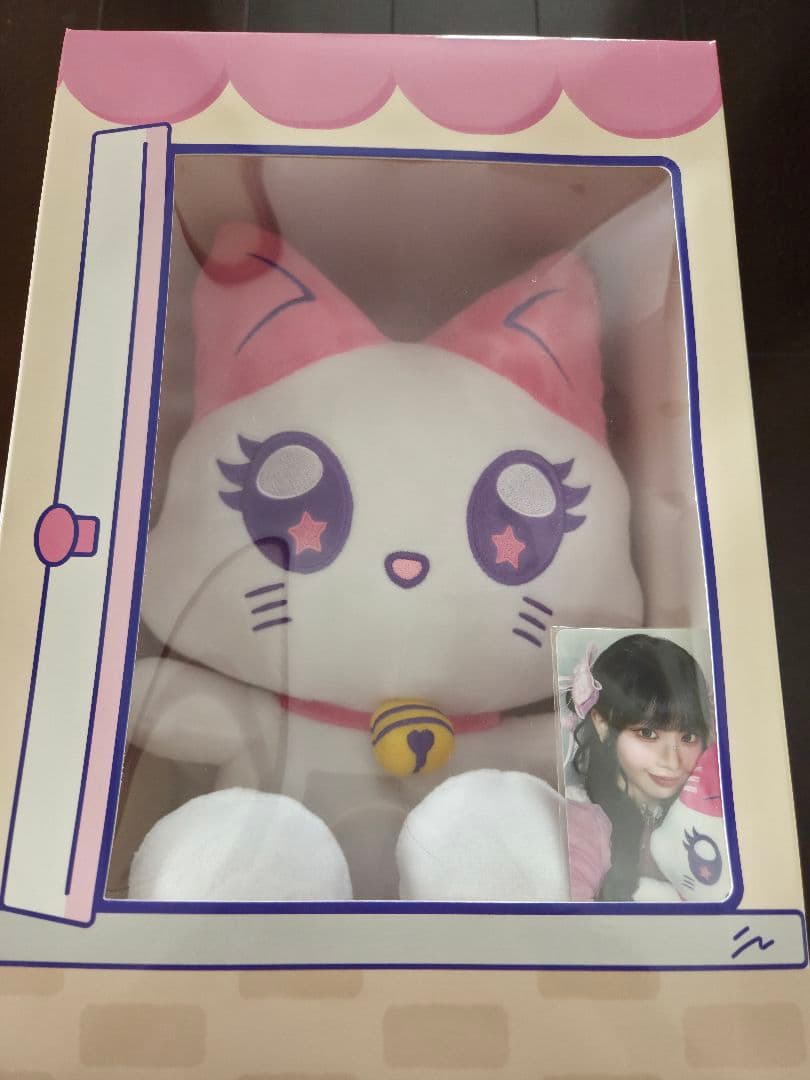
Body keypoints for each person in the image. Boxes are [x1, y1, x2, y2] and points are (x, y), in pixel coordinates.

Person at [565, 633, 711, 901]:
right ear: (602, 723)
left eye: (688, 737)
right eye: (648, 734)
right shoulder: (578, 822)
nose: (672, 762)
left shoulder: (708, 809)